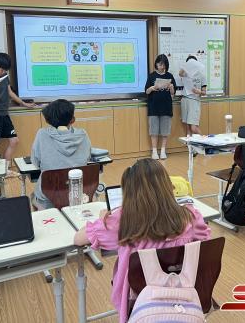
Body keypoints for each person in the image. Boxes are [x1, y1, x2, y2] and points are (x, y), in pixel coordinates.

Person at [73, 158, 211, 323]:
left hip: (137, 302)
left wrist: (102, 219)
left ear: (129, 193)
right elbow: (205, 246)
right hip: (182, 297)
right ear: (167, 186)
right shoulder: (191, 216)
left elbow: (78, 239)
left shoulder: (121, 221)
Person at [31, 99, 91, 210]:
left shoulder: (42, 134)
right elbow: (87, 158)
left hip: (48, 194)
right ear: (72, 119)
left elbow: (35, 162)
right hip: (77, 193)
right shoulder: (83, 134)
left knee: (33, 196)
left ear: (48, 120)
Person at [0, 53, 36, 170]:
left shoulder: (4, 76)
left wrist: (23, 103)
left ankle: (6, 169)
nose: (4, 72)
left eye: (6, 70)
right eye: (2, 69)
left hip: (4, 115)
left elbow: (9, 92)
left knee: (14, 141)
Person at [144, 54, 177, 160]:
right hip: (153, 107)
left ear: (166, 65)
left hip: (166, 107)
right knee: (153, 131)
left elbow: (173, 93)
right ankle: (154, 151)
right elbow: (146, 91)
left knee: (165, 131)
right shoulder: (151, 76)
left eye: (163, 64)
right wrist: (152, 88)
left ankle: (163, 151)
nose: (161, 66)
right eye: (159, 64)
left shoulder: (170, 76)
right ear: (156, 64)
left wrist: (171, 87)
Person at [179, 55, 207, 136]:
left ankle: (204, 142)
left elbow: (204, 92)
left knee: (193, 128)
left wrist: (199, 91)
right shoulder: (186, 74)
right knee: (188, 128)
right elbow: (180, 73)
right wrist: (186, 65)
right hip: (185, 99)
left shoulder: (201, 75)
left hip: (194, 101)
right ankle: (190, 144)